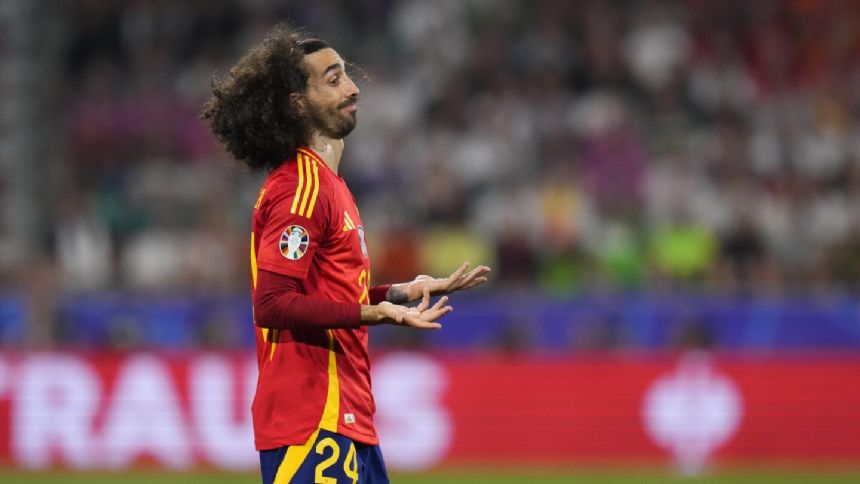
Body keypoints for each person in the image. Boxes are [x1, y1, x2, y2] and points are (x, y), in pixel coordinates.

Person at [201, 24, 490, 483]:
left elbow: (330, 290)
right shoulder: (302, 186)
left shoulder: (331, 187)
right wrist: (374, 314)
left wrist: (397, 293)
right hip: (314, 419)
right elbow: (273, 303)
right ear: (299, 103)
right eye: (333, 79)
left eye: (347, 76)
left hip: (348, 415)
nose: (353, 87)